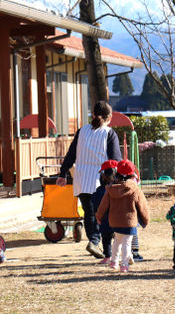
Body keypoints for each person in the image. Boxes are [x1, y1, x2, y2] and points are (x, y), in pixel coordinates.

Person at [57, 101, 121, 259]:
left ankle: (94, 241)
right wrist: (120, 178)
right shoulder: (109, 133)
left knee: (89, 213)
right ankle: (97, 242)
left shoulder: (82, 131)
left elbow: (71, 154)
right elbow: (115, 160)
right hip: (100, 179)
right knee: (103, 213)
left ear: (92, 115)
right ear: (110, 117)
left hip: (81, 177)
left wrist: (62, 173)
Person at [95, 159, 150, 273]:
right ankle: (124, 264)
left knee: (117, 241)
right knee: (127, 242)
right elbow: (143, 205)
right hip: (129, 222)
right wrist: (146, 219)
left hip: (114, 221)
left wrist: (98, 216)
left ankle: (114, 261)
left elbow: (103, 205)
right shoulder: (135, 189)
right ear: (132, 174)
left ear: (117, 173)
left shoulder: (111, 189)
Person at [91, 160, 117, 265]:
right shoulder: (119, 189)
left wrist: (97, 215)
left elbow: (94, 203)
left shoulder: (99, 191)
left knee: (106, 239)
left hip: (104, 220)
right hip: (118, 220)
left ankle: (108, 256)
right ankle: (123, 255)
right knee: (120, 240)